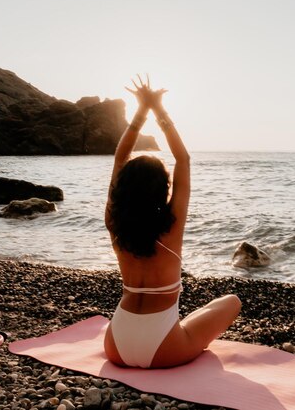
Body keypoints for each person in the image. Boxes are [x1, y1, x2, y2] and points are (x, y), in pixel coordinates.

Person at [103, 75, 241, 368]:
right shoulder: (171, 226)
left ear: (123, 189)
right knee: (231, 302)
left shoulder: (115, 224)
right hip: (163, 349)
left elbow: (119, 158)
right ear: (162, 190)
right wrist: (158, 109)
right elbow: (183, 159)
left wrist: (141, 111)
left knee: (193, 317)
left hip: (115, 345)